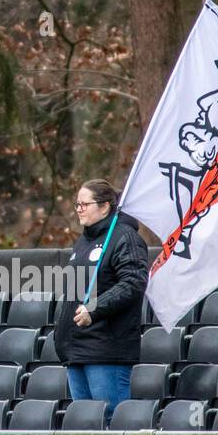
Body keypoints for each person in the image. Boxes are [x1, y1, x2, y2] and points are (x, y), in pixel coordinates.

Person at [53, 179, 147, 420]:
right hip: (76, 348)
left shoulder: (125, 237)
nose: (79, 209)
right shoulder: (83, 241)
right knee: (83, 424)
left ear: (105, 207)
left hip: (106, 349)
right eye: (77, 204)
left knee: (108, 422)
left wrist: (93, 309)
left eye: (85, 204)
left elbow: (133, 283)